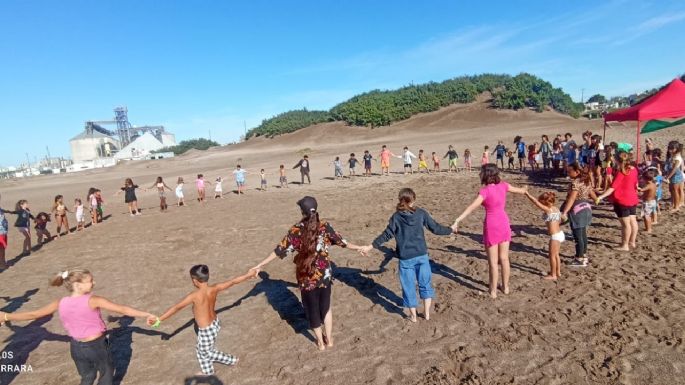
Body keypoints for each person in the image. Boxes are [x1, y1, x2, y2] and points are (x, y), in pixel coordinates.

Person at [0, 269, 157, 385]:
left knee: (87, 377)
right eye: (90, 280)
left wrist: (6, 316)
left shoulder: (60, 302)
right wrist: (146, 314)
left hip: (75, 347)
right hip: (98, 346)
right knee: (106, 373)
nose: (93, 283)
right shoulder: (93, 300)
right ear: (77, 285)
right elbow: (123, 309)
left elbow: (33, 315)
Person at [253, 196, 365, 350]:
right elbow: (343, 242)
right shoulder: (325, 227)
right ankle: (330, 339)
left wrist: (261, 264)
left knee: (312, 309)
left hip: (306, 277)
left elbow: (279, 250)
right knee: (325, 307)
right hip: (324, 275)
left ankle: (320, 343)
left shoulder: (296, 230)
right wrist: (359, 247)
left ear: (302, 211)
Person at [360, 188, 454, 322]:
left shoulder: (396, 217)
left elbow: (386, 235)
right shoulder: (421, 213)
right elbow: (436, 228)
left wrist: (370, 246)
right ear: (413, 200)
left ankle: (413, 316)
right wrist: (450, 230)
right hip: (421, 256)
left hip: (405, 259)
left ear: (400, 200)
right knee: (425, 284)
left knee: (408, 287)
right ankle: (426, 314)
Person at [153, 265, 258, 376]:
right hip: (215, 323)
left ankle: (232, 360)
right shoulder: (214, 288)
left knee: (204, 352)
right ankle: (208, 371)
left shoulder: (194, 296)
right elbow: (233, 282)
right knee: (201, 349)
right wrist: (248, 275)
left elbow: (176, 307)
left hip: (206, 329)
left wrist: (160, 319)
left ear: (194, 280)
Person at [451, 164, 528, 298]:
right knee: (504, 258)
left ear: (485, 175)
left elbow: (471, 208)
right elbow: (521, 191)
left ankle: (493, 291)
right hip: (504, 223)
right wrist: (525, 188)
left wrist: (458, 220)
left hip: (491, 225)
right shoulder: (504, 185)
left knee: (493, 262)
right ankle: (506, 287)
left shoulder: (484, 191)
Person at [596, 151, 639, 251]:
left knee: (625, 224)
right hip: (632, 198)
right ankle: (632, 242)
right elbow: (635, 183)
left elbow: (612, 188)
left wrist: (600, 197)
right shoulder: (634, 169)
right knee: (633, 221)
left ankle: (625, 245)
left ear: (617, 160)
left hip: (622, 199)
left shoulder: (621, 172)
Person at [560, 162, 597, 267]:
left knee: (577, 236)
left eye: (569, 171)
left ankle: (579, 258)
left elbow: (571, 199)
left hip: (577, 210)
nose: (567, 172)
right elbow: (592, 193)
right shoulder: (585, 181)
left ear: (576, 171)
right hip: (586, 208)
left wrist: (564, 212)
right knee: (583, 233)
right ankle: (584, 255)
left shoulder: (575, 183)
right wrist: (597, 200)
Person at [524, 191, 563, 280]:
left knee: (552, 256)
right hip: (560, 234)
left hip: (555, 236)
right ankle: (558, 272)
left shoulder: (548, 210)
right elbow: (560, 220)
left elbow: (535, 202)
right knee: (556, 255)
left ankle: (553, 275)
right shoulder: (556, 209)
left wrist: (527, 194)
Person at [663, 141, 684, 212]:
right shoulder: (673, 155)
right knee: (673, 191)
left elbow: (674, 169)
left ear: (676, 149)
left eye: (672, 148)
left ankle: (676, 206)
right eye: (669, 148)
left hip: (676, 176)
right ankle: (675, 204)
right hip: (673, 176)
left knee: (675, 191)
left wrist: (667, 177)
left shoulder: (677, 158)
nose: (670, 150)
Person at [0, 193, 11, 269]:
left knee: (2, 248)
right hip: (0, 232)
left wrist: (6, 211)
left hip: (3, 231)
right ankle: (2, 264)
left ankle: (3, 262)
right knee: (2, 249)